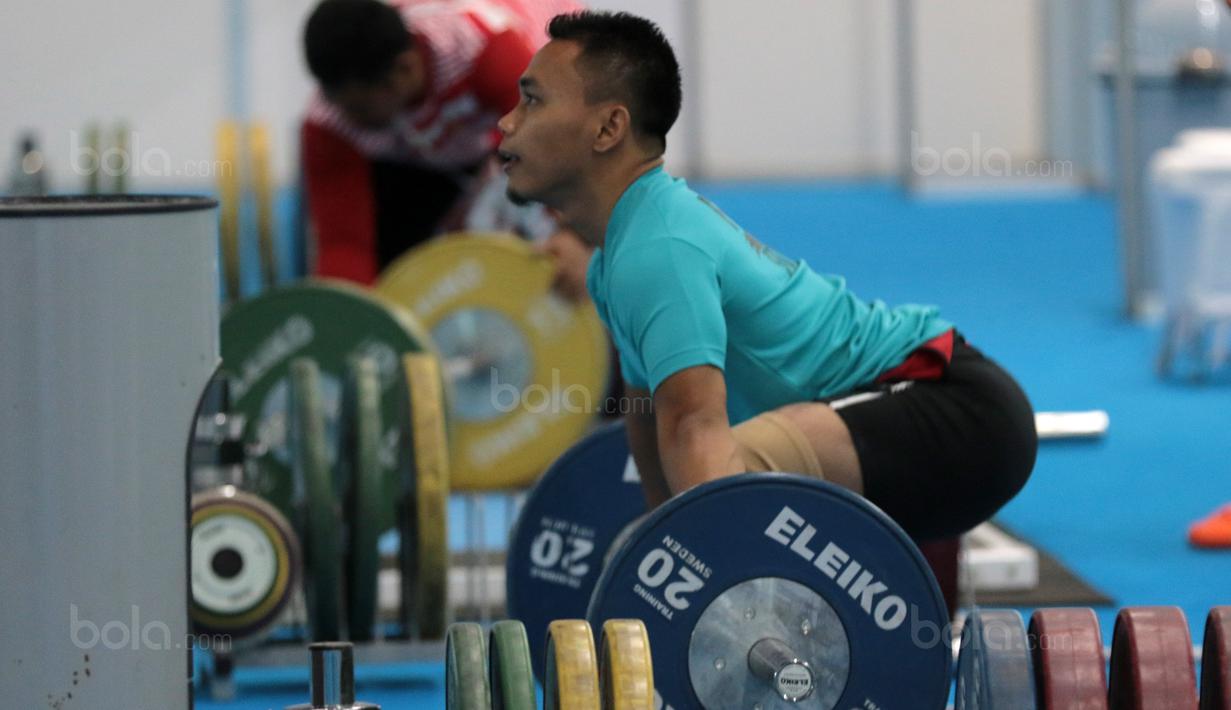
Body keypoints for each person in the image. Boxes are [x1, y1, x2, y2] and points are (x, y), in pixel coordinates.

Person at [495, 10, 1037, 539]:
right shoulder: (616, 259)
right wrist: (656, 566)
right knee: (696, 499)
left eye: (533, 99)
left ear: (609, 127)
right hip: (893, 418)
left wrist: (693, 590)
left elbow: (693, 431)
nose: (507, 122)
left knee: (728, 478)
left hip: (950, 408)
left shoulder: (658, 248)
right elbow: (650, 421)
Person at [300, 0, 580, 283]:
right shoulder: (328, 122)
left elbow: (558, 152)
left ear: (404, 71)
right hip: (423, 164)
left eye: (360, 110)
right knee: (398, 264)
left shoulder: (483, 48)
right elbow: (344, 243)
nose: (349, 120)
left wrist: (571, 234)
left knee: (556, 231)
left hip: (516, 130)